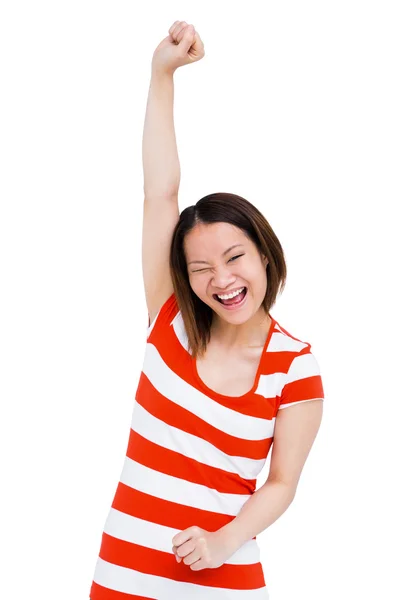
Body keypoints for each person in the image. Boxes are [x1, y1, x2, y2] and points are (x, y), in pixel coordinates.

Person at [89, 20, 325, 600]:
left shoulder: (295, 367)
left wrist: (224, 541)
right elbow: (160, 193)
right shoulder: (168, 319)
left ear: (265, 252)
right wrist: (161, 74)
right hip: (124, 574)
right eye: (200, 268)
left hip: (222, 580)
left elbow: (282, 484)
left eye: (234, 256)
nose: (221, 280)